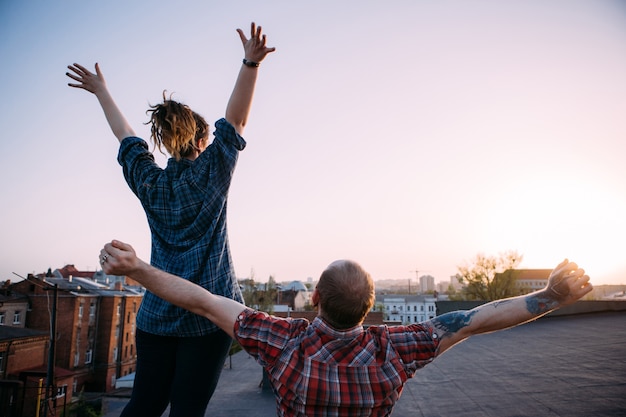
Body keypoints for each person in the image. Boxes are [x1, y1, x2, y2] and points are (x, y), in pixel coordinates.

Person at [99, 239, 593, 417]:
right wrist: (549, 295)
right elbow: (478, 319)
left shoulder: (282, 342)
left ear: (314, 298)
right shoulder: (397, 348)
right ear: (370, 306)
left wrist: (138, 269)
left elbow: (203, 302)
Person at [67, 23, 275, 417]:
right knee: (187, 409)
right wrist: (250, 63)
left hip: (156, 318)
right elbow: (235, 123)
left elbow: (126, 136)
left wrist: (101, 91)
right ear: (201, 141)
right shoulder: (212, 172)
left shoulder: (150, 182)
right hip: (209, 318)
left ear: (164, 143)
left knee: (143, 405)